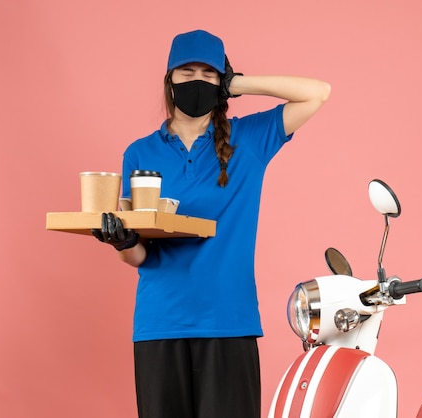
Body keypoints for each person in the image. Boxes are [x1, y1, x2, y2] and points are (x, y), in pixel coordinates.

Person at [92, 29, 330, 418]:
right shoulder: (139, 152)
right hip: (159, 324)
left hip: (227, 321)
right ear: (169, 80)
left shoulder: (250, 139)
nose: (197, 81)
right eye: (187, 72)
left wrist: (238, 84)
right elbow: (136, 258)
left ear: (221, 82)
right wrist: (121, 241)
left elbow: (317, 92)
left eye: (208, 73)